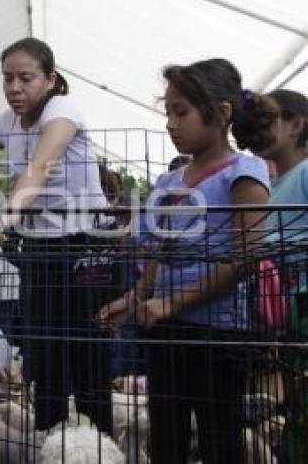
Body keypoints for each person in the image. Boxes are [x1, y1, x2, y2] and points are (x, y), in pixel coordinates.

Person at [99, 58, 270, 463]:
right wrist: (136, 296)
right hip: (164, 327)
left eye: (182, 113)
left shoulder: (243, 172)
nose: (171, 124)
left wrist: (173, 302)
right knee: (166, 433)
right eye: (168, 113)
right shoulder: (169, 182)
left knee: (218, 437)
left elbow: (247, 256)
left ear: (222, 114)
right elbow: (159, 248)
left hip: (219, 333)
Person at [0, 37, 115, 434]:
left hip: (83, 245)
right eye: (7, 79)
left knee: (87, 354)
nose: (14, 88)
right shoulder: (7, 121)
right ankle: (48, 444)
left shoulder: (62, 111)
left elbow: (38, 169)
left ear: (50, 80)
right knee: (44, 356)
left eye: (26, 78)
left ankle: (101, 448)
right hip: (39, 249)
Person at [237, 88, 308, 464]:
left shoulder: (306, 172)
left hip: (304, 297)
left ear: (297, 124)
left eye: (270, 118)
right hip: (289, 305)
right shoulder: (272, 182)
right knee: (295, 398)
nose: (261, 128)